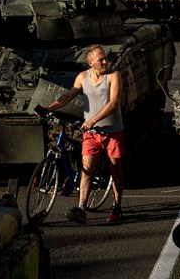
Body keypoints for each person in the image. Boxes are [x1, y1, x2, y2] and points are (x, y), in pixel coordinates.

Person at [35, 45, 125, 224]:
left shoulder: (114, 76)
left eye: (105, 58)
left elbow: (114, 103)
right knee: (87, 171)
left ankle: (117, 205)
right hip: (91, 135)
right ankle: (81, 208)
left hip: (112, 131)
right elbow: (68, 96)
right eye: (101, 60)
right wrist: (49, 108)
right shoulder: (83, 77)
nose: (105, 61)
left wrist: (93, 119)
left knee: (115, 169)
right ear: (91, 62)